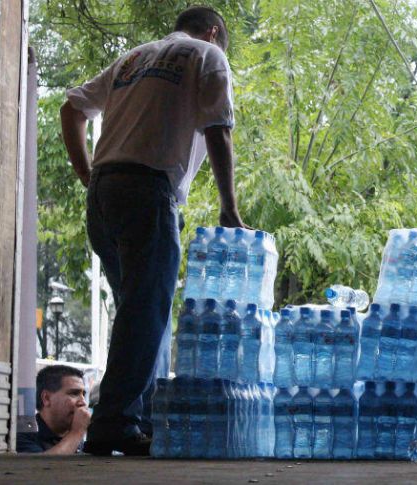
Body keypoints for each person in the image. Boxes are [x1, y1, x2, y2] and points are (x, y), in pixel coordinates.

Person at [60, 5, 250, 456]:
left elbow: (72, 109)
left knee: (142, 311)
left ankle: (138, 420)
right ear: (212, 31)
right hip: (148, 191)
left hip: (105, 194)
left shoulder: (134, 57)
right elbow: (219, 132)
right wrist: (229, 208)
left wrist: (88, 176)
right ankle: (115, 423)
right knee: (145, 312)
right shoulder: (207, 54)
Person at [16, 365, 90, 454]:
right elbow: (41, 466)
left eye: (83, 395)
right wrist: (77, 432)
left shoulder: (73, 432)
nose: (83, 402)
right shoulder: (24, 435)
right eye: (74, 393)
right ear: (46, 398)